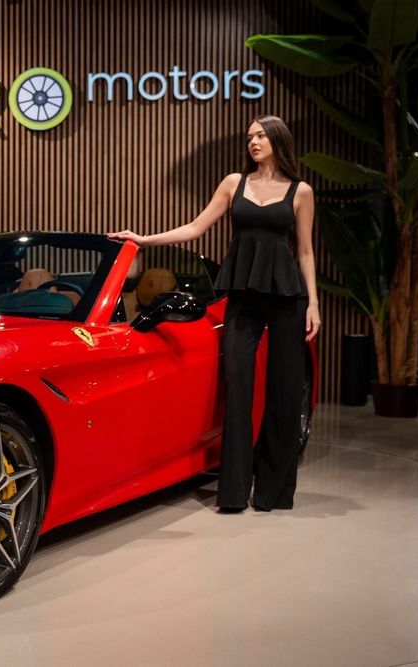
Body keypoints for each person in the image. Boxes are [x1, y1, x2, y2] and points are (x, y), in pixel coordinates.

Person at [107, 114, 321, 513]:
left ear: (277, 139)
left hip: (286, 296)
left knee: (284, 393)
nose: (253, 141)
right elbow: (195, 227)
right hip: (242, 295)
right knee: (237, 387)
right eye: (250, 136)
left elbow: (305, 251)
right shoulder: (233, 183)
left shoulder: (301, 191)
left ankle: (273, 492)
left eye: (260, 135)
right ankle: (234, 492)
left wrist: (313, 303)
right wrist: (143, 239)